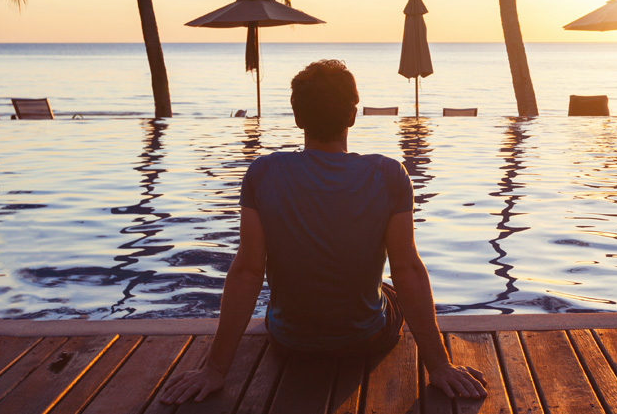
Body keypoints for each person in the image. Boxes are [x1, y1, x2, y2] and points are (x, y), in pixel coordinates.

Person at [160, 60, 487, 405]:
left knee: (282, 298)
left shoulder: (263, 172)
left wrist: (214, 369)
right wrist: (439, 366)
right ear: (352, 115)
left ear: (298, 117)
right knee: (390, 287)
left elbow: (248, 271)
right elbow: (407, 270)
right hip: (366, 338)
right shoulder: (389, 174)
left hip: (289, 340)